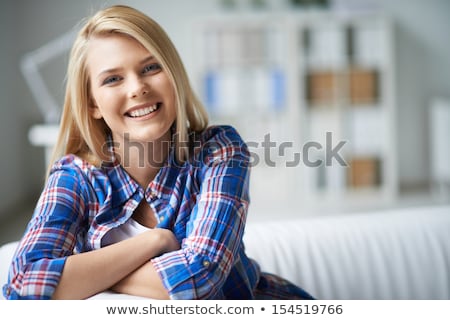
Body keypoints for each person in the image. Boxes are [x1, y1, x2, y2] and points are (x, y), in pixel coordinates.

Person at [3, 5, 314, 300]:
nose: (137, 87)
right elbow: (21, 284)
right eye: (113, 79)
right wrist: (156, 241)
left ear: (174, 75)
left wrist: (86, 272)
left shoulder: (219, 151)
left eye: (151, 67)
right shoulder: (75, 177)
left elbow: (199, 282)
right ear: (92, 104)